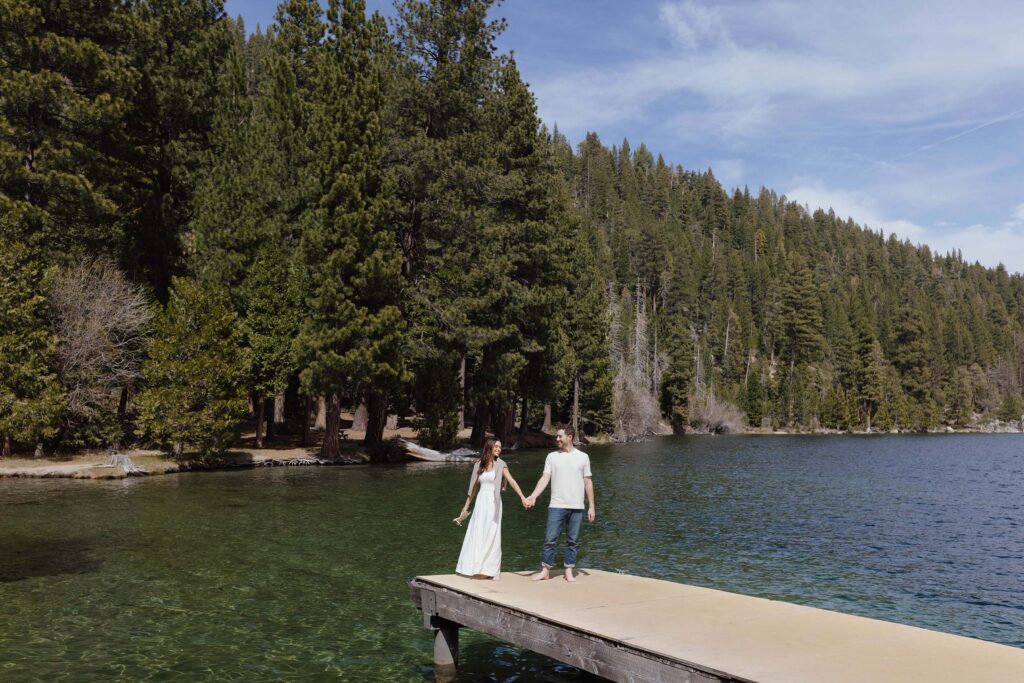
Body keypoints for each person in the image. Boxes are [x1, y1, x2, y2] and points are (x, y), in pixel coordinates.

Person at [524, 426, 595, 582]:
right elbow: (544, 478)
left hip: (577, 506)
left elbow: (588, 482)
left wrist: (591, 506)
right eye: (556, 436)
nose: (556, 439)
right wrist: (534, 496)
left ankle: (569, 570)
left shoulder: (583, 457)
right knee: (550, 539)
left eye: (559, 436)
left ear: (569, 437)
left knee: (573, 540)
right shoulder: (552, 457)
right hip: (556, 504)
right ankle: (545, 570)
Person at [454, 439, 528, 579]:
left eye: (500, 447)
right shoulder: (478, 464)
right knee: (478, 533)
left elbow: (511, 481)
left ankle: (492, 571)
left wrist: (523, 497)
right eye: (496, 446)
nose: (499, 449)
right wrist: (464, 509)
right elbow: (473, 489)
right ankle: (474, 568)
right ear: (489, 447)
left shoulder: (501, 465)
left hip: (494, 503)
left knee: (492, 534)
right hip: (481, 503)